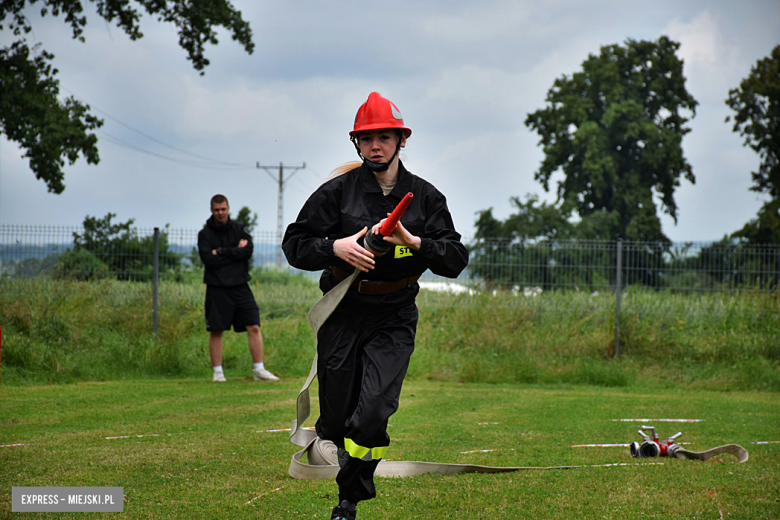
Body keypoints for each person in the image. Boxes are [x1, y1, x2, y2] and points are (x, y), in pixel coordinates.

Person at [282, 92, 468, 520]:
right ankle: (331, 443)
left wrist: (415, 242)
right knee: (339, 417)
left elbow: (456, 259)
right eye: (367, 139)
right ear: (357, 144)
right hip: (344, 313)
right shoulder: (336, 194)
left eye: (385, 137)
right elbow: (295, 246)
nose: (375, 146)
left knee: (374, 410)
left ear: (402, 140)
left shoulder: (425, 198)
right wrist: (337, 247)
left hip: (395, 315)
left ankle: (348, 501)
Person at [197, 194, 279, 383]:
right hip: (216, 287)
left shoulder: (240, 228)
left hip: (241, 286)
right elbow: (208, 260)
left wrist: (222, 251)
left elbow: (247, 252)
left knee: (254, 325)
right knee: (216, 330)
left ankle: (259, 370)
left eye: (223, 209)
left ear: (228, 208)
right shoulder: (205, 234)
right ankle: (218, 373)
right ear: (212, 210)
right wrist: (235, 251)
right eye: (217, 210)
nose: (220, 213)